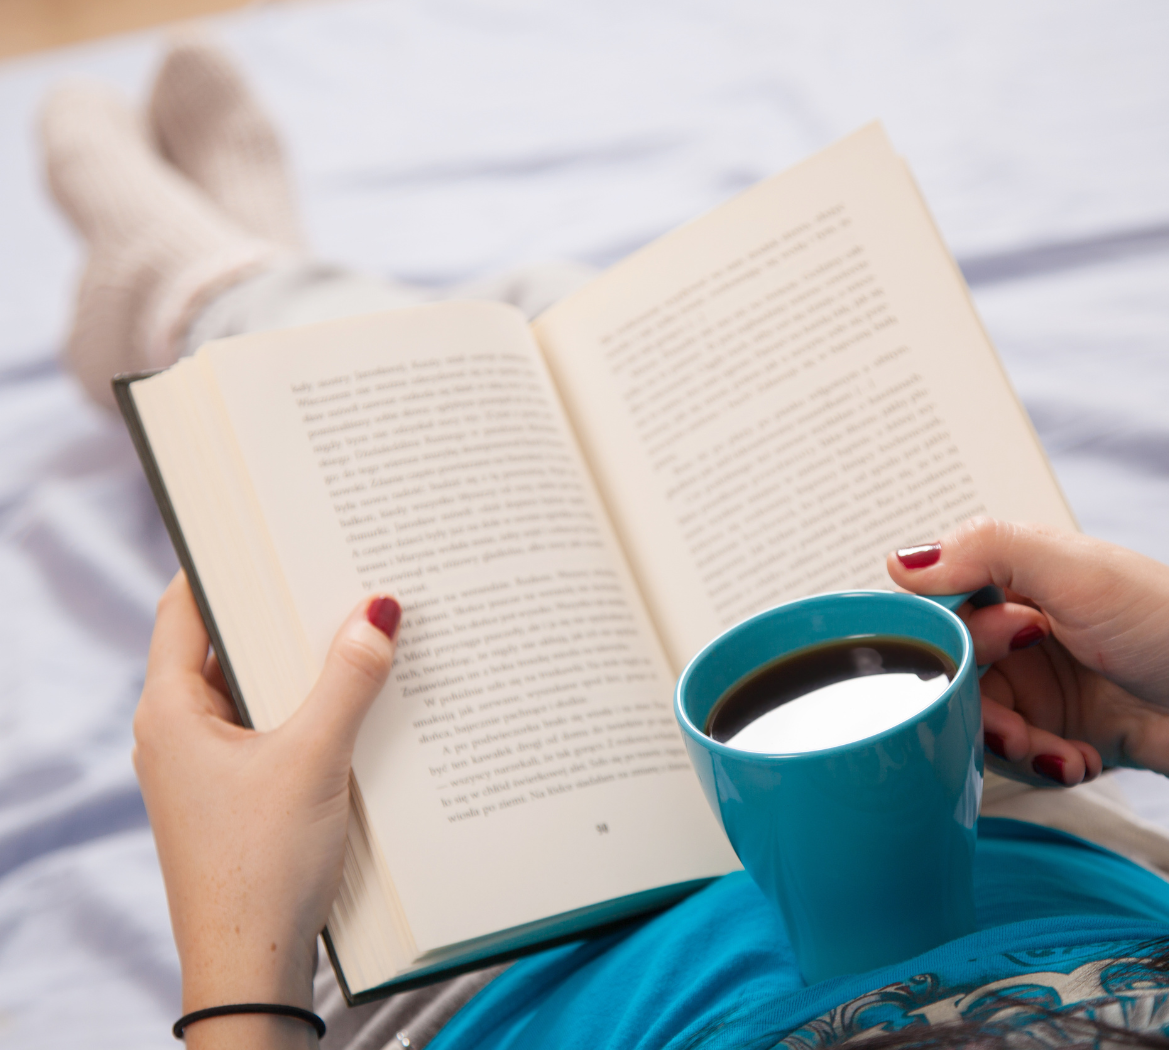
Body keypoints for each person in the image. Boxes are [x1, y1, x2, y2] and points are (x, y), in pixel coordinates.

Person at [41, 39, 1169, 1050]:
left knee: (402, 447)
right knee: (630, 380)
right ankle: (245, 285)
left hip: (519, 963)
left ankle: (200, 287)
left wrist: (237, 968)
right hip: (974, 811)